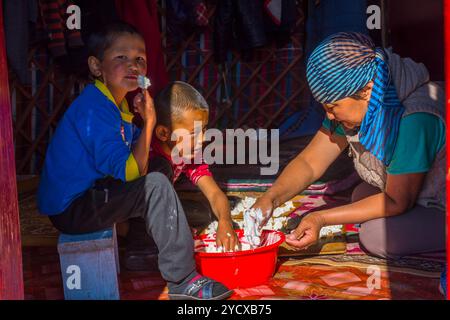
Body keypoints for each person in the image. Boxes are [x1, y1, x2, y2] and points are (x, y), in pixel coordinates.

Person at [37, 22, 233, 300]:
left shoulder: (115, 104)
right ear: (96, 67)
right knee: (154, 184)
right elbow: (132, 173)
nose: (133, 65)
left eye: (139, 59)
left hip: (90, 193)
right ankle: (183, 280)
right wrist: (151, 121)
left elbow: (129, 159)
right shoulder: (95, 110)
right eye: (121, 58)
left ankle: (144, 249)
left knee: (158, 173)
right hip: (73, 208)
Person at [252, 32, 446, 259]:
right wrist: (270, 198)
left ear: (366, 90)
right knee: (362, 195)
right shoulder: (361, 103)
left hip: (442, 203)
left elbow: (396, 201)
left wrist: (321, 218)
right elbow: (309, 162)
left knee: (376, 236)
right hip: (415, 193)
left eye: (333, 107)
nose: (329, 116)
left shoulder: (414, 119)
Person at [125, 81, 239, 269]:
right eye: (194, 133)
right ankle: (140, 248)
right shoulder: (147, 151)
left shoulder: (188, 154)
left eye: (203, 130)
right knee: (160, 171)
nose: (202, 139)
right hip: (129, 213)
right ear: (163, 133)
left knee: (204, 214)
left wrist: (225, 222)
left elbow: (215, 194)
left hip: (158, 211)